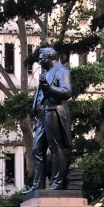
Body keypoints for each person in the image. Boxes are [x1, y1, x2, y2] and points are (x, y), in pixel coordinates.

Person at [29, 46, 74, 190]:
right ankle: (38, 184)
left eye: (41, 58)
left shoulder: (62, 71)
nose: (39, 62)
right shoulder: (46, 73)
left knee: (56, 147)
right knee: (37, 149)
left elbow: (67, 92)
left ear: (49, 58)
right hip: (42, 115)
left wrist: (48, 89)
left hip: (54, 111)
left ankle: (57, 183)